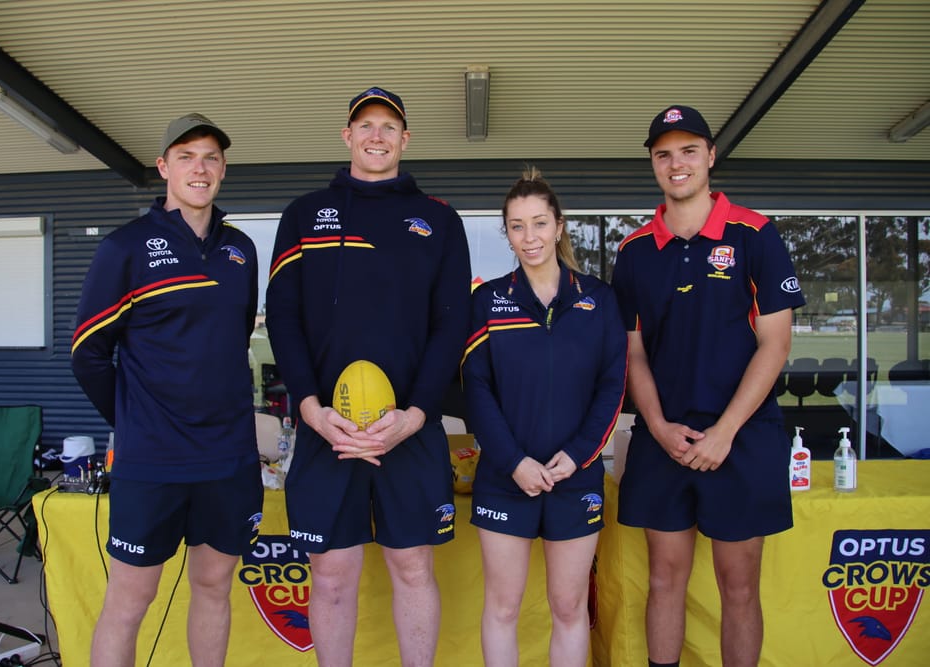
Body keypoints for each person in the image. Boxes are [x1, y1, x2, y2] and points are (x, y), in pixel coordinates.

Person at [265, 87, 472, 666]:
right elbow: (282, 317)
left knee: (413, 567)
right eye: (365, 125)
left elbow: (451, 325)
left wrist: (417, 413)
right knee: (331, 575)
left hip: (410, 428)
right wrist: (310, 409)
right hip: (326, 429)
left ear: (405, 139)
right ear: (347, 135)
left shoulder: (439, 220)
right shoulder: (304, 214)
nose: (376, 135)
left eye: (388, 126)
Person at [611, 105, 805, 667]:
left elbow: (776, 344)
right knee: (664, 579)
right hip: (664, 438)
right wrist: (657, 426)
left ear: (711, 156)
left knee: (738, 585)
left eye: (689, 150)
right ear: (653, 164)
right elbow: (632, 351)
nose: (677, 164)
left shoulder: (755, 234)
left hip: (742, 438)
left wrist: (725, 432)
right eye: (664, 154)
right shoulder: (634, 251)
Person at [71, 113, 263, 666]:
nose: (199, 168)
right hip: (152, 459)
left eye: (210, 158)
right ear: (163, 168)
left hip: (227, 457)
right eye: (186, 157)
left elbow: (232, 340)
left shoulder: (240, 250)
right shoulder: (125, 248)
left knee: (214, 587)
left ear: (222, 169)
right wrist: (134, 418)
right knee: (129, 602)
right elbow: (88, 354)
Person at [461, 167, 627, 666]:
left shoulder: (599, 299)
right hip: (504, 478)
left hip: (575, 478)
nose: (529, 236)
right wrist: (513, 461)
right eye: (517, 226)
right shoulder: (487, 301)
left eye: (538, 223)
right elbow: (476, 389)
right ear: (507, 233)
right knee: (503, 607)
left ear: (558, 227)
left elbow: (612, 386)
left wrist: (576, 456)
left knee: (569, 608)